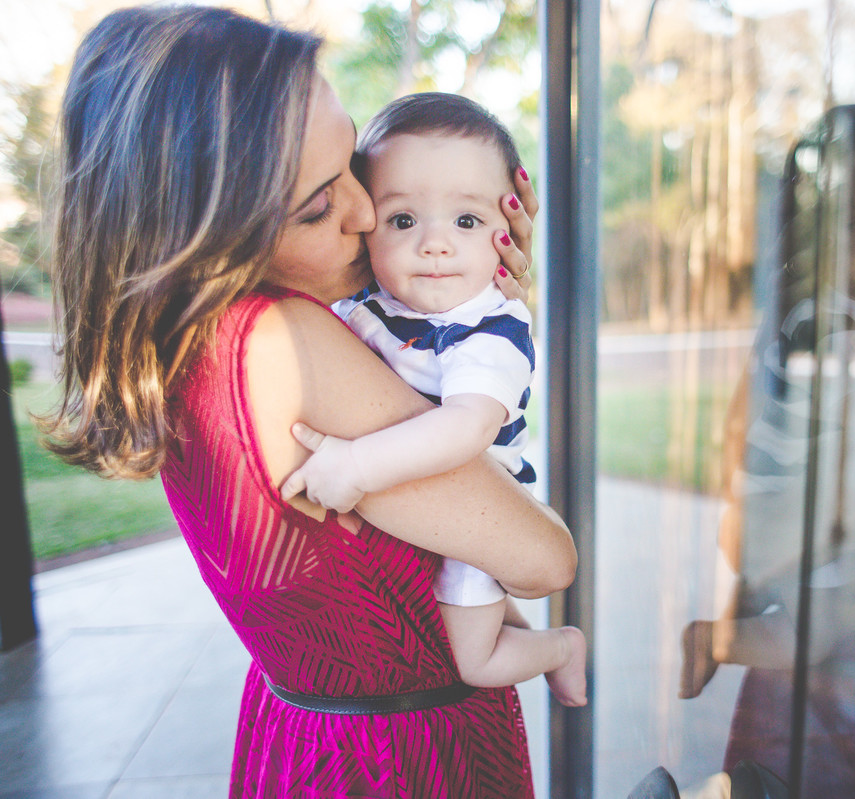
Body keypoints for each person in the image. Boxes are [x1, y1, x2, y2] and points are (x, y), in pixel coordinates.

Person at [42, 6, 576, 797]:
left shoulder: (190, 338)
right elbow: (543, 558)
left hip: (298, 731)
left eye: (355, 164)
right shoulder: (286, 342)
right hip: (402, 758)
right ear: (207, 230)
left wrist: (463, 305)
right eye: (319, 205)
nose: (366, 212)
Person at [280, 92, 587, 707]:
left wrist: (356, 466)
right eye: (403, 220)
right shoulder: (366, 304)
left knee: (476, 659)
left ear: (508, 230)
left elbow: (467, 428)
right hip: (421, 524)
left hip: (482, 496)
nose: (436, 245)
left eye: (466, 221)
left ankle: (561, 648)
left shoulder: (489, 330)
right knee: (465, 619)